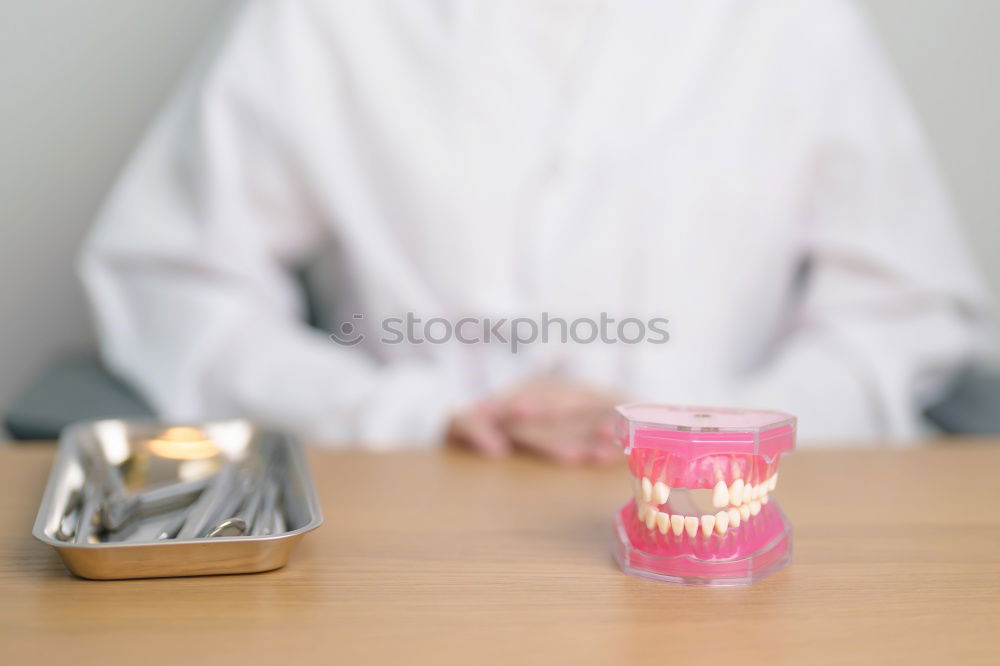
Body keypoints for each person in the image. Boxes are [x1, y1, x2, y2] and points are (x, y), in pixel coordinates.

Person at [80, 0, 990, 462]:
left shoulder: (795, 22)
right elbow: (177, 284)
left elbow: (902, 317)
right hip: (411, 531)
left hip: (725, 531)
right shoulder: (324, 20)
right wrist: (408, 418)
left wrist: (710, 427)